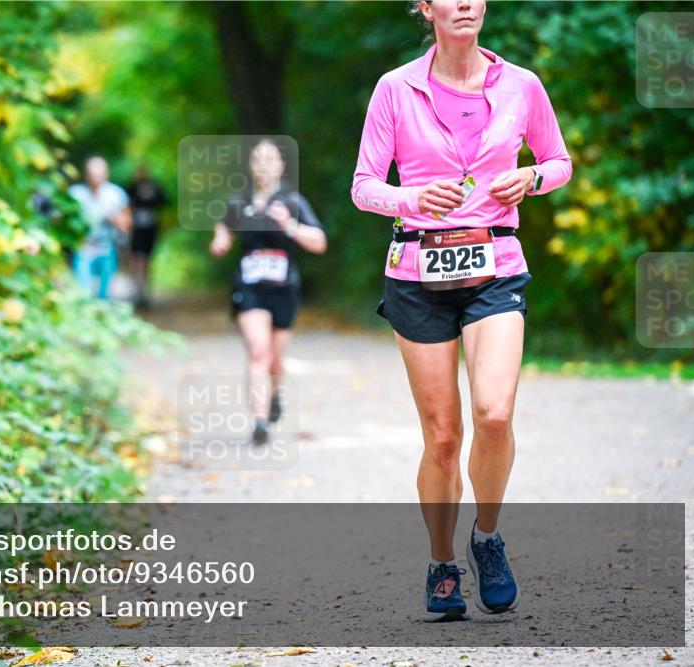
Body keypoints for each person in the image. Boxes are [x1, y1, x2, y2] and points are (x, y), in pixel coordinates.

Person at [351, 0, 572, 621]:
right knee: (443, 438)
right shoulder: (396, 88)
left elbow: (559, 162)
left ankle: (488, 538)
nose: (468, 2)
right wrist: (413, 196)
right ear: (427, 7)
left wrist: (530, 180)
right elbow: (364, 185)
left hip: (495, 264)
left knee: (494, 414)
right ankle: (443, 561)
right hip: (417, 272)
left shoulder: (522, 85)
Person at [210, 138, 327, 445]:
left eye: (270, 159)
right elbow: (223, 227)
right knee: (258, 350)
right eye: (258, 159)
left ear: (281, 165)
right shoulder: (240, 202)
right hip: (249, 287)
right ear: (251, 166)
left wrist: (289, 226)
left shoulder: (292, 202)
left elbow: (319, 242)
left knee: (275, 361)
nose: (263, 164)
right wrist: (220, 240)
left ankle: (274, 396)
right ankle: (260, 422)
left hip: (283, 288)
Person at [68, 156, 132, 299]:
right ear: (86, 175)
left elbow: (127, 223)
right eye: (91, 174)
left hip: (107, 246)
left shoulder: (116, 194)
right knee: (82, 289)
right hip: (83, 247)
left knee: (106, 292)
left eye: (98, 174)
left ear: (106, 174)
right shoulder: (76, 194)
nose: (95, 178)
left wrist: (115, 220)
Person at [126, 164, 167, 309]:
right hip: (137, 228)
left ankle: (144, 289)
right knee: (137, 258)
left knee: (146, 259)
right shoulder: (133, 186)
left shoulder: (154, 186)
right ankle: (138, 289)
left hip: (150, 228)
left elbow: (163, 201)